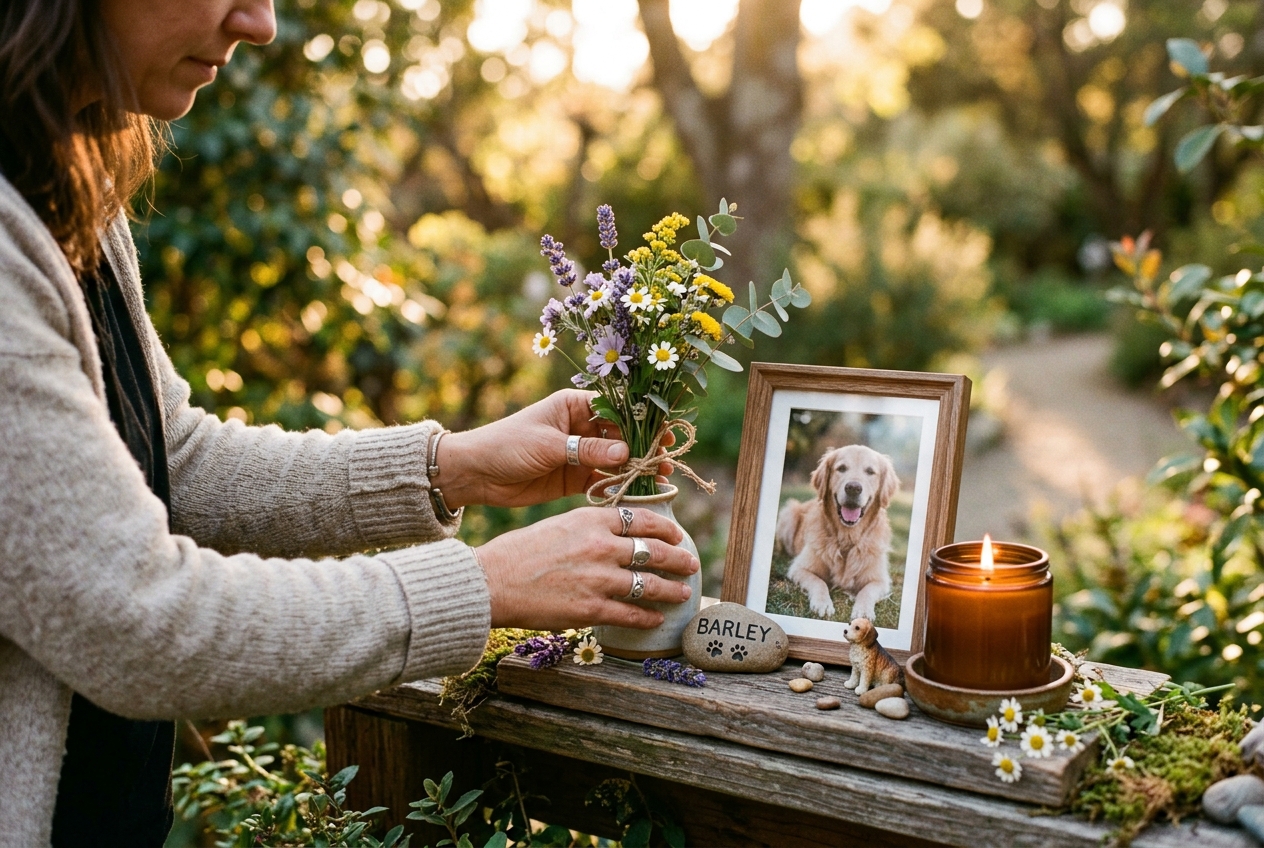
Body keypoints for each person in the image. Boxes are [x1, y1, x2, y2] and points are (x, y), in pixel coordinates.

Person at [0, 1, 699, 844]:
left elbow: (172, 463)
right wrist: (481, 587)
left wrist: (451, 467)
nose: (258, 23)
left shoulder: (63, 178)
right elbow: (134, 619)